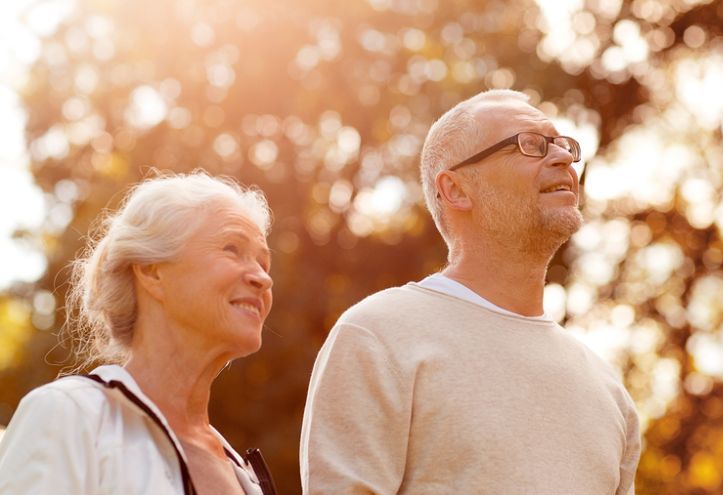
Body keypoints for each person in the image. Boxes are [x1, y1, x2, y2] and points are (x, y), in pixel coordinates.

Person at [300, 89, 641, 494]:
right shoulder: (378, 336)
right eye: (530, 144)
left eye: (563, 144)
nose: (563, 157)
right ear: (456, 189)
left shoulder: (607, 390)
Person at [0, 171, 277, 494]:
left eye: (263, 263)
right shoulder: (69, 415)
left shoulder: (241, 473)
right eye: (232, 249)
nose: (263, 278)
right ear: (151, 270)